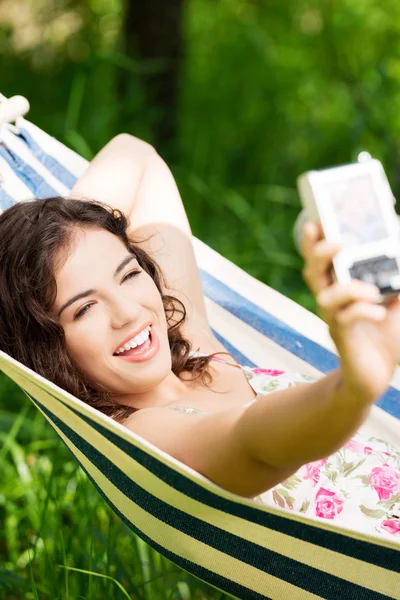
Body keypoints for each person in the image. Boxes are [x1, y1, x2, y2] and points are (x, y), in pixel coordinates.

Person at [0, 134, 399, 539]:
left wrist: (57, 232)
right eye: (85, 308)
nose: (129, 312)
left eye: (129, 274)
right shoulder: (146, 436)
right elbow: (253, 441)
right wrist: (353, 387)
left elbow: (136, 155)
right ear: (44, 346)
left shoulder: (197, 348)